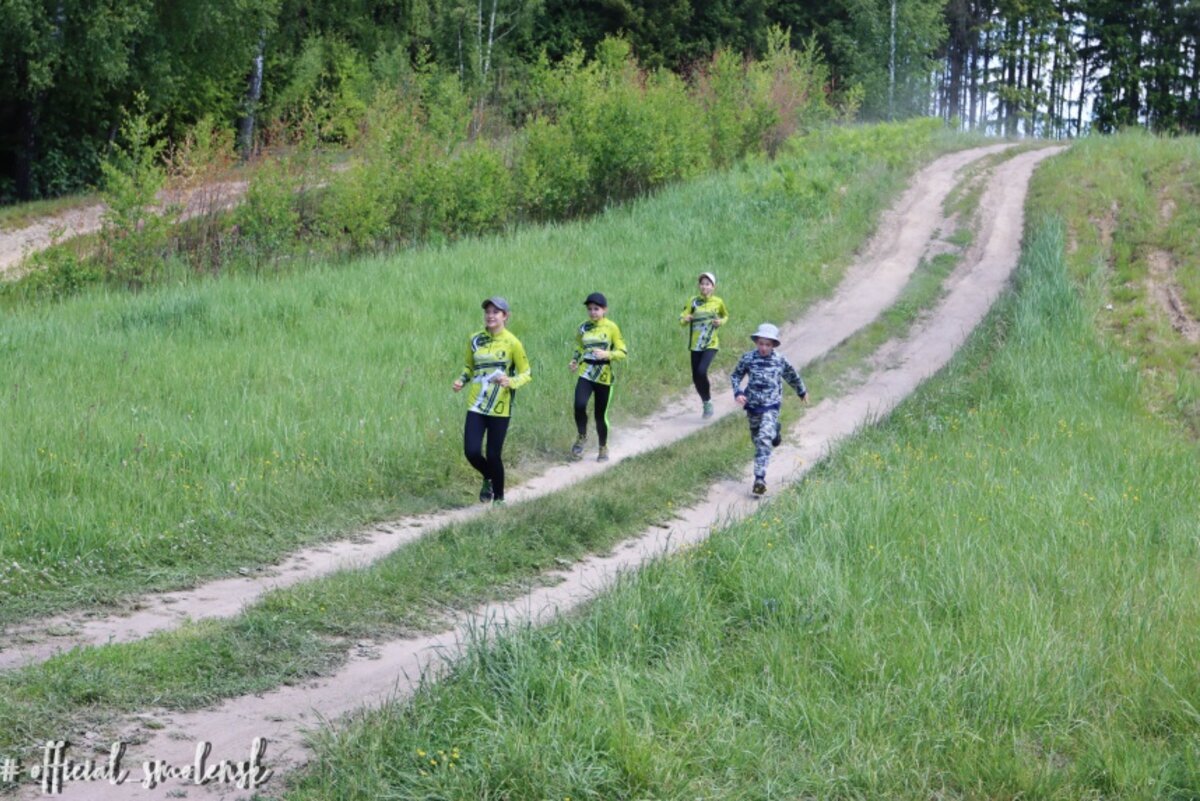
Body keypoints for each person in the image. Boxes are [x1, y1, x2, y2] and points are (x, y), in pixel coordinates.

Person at [452, 297, 531, 506]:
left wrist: (510, 381)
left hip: (499, 407)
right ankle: (488, 477)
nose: (490, 316)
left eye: (496, 312)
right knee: (472, 451)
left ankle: (500, 499)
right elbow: (469, 367)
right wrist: (461, 379)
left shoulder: (513, 342)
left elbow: (526, 373)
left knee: (494, 454)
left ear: (505, 316)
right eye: (487, 312)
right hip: (476, 404)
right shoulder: (475, 339)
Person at [730, 322, 808, 496]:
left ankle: (759, 479)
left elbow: (792, 376)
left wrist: (801, 391)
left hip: (771, 406)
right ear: (756, 342)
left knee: (764, 440)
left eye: (768, 344)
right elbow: (735, 375)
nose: (764, 348)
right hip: (752, 406)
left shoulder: (779, 360)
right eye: (761, 343)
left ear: (773, 345)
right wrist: (738, 392)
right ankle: (775, 433)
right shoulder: (748, 358)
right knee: (758, 440)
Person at [569, 292, 627, 462]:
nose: (593, 312)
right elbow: (579, 346)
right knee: (579, 405)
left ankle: (603, 447)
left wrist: (607, 354)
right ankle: (582, 437)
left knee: (600, 415)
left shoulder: (611, 327)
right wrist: (574, 360)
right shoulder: (583, 327)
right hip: (586, 373)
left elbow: (622, 352)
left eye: (596, 309)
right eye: (590, 309)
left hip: (604, 376)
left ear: (605, 310)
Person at [679, 271, 729, 418]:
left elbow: (725, 315)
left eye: (707, 284)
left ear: (713, 287)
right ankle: (706, 402)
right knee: (695, 377)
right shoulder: (693, 301)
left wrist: (721, 322)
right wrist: (685, 319)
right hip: (695, 345)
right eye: (702, 284)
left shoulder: (718, 302)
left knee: (701, 371)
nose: (704, 287)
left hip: (711, 344)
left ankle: (707, 402)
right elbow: (681, 318)